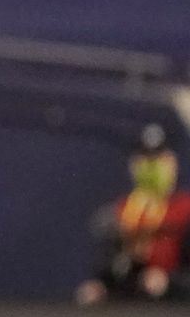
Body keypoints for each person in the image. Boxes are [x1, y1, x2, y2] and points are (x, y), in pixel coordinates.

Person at [76, 124, 190, 305]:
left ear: (172, 162)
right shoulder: (123, 211)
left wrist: (169, 282)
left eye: (158, 159)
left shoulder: (185, 209)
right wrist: (101, 286)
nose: (152, 167)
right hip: (129, 304)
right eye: (146, 159)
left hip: (174, 309)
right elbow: (112, 266)